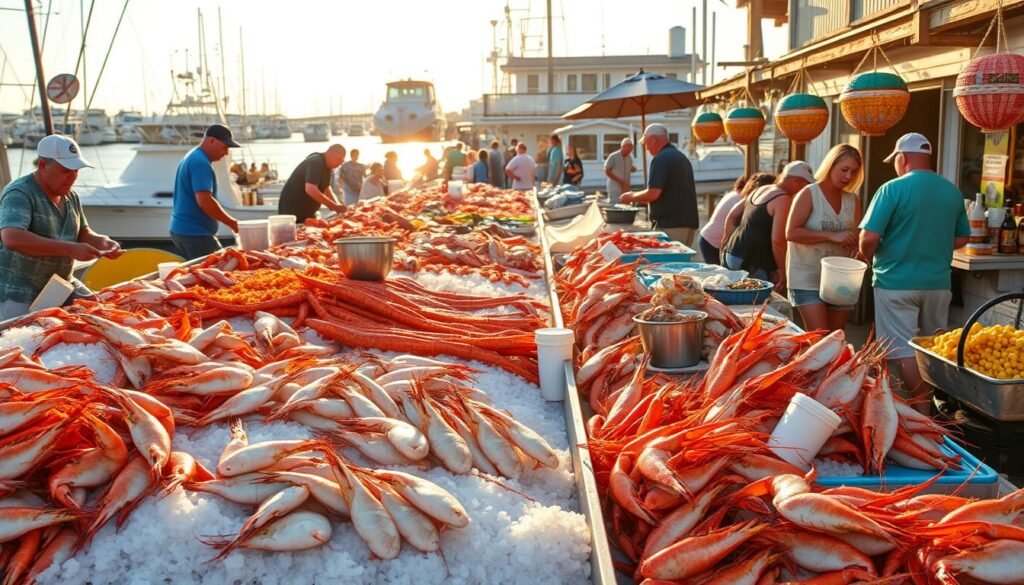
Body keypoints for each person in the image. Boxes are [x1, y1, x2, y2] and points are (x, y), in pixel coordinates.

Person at [859, 133, 970, 414]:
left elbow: (869, 237)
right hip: (938, 284)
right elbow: (961, 239)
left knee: (903, 349)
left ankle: (923, 408)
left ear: (902, 158)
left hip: (895, 282)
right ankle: (937, 405)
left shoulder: (891, 189)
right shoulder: (951, 190)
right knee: (933, 346)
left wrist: (868, 256)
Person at [0, 135, 123, 319]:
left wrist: (102, 242)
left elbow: (83, 232)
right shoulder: (19, 193)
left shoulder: (71, 196)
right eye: (66, 170)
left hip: (61, 283)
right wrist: (70, 249)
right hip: (19, 291)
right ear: (43, 165)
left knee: (102, 311)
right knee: (25, 339)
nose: (73, 176)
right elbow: (12, 238)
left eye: (76, 170)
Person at [786, 144, 865, 332]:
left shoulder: (853, 200)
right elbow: (791, 233)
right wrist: (832, 236)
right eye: (844, 169)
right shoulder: (809, 193)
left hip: (841, 279)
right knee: (820, 338)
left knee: (836, 338)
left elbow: (856, 238)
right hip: (807, 277)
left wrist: (859, 250)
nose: (848, 177)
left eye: (853, 172)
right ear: (830, 165)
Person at [721, 161, 814, 287]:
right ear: (796, 182)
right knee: (756, 304)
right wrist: (783, 270)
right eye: (806, 185)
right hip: (751, 261)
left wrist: (726, 242)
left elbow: (732, 216)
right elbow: (777, 241)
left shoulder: (761, 189)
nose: (806, 190)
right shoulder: (782, 199)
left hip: (731, 253)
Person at [170, 124, 242, 260]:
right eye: (225, 147)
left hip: (182, 231)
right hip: (195, 234)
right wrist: (233, 223)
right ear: (211, 140)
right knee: (221, 268)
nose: (226, 153)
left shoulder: (192, 155)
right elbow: (204, 201)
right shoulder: (201, 163)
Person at [620, 124, 699, 246]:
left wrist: (631, 196)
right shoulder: (680, 157)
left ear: (654, 139)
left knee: (669, 264)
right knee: (682, 263)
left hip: (671, 224)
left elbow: (653, 193)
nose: (646, 148)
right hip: (688, 223)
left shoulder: (660, 159)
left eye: (646, 143)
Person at [277, 144, 347, 224]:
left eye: (342, 161)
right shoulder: (316, 162)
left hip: (307, 214)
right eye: (339, 159)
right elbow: (310, 189)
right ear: (330, 154)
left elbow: (326, 188)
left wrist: (337, 205)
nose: (340, 164)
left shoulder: (328, 167)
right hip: (293, 214)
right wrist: (334, 206)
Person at [698, 175, 747, 265]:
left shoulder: (732, 194)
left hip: (708, 237)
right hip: (713, 242)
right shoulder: (739, 199)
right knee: (718, 275)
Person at [604, 137, 636, 204]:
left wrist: (632, 169)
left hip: (625, 188)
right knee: (615, 206)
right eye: (628, 150)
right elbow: (607, 170)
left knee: (626, 207)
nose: (629, 152)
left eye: (630, 150)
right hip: (615, 188)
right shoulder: (613, 156)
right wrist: (619, 181)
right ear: (623, 147)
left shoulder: (629, 158)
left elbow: (627, 168)